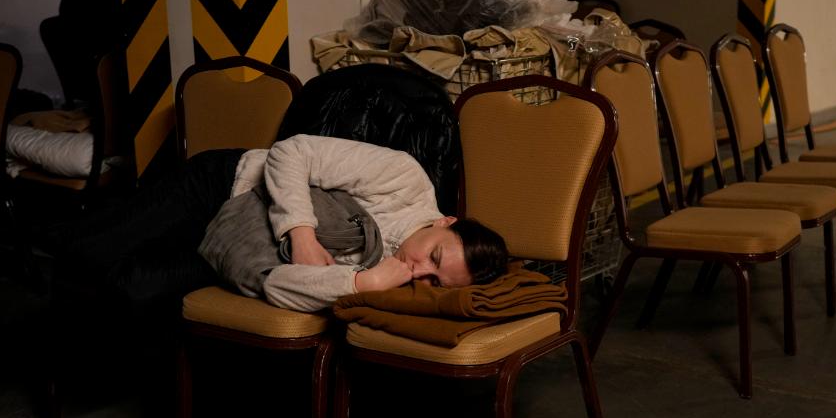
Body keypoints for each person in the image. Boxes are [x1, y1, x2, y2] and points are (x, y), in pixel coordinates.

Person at [49, 135, 509, 312]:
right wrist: (301, 235)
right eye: (433, 255)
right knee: (88, 249)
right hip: (221, 188)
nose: (419, 271)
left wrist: (364, 283)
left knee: (135, 288)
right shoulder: (404, 179)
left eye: (434, 280)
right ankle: (15, 245)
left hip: (241, 246)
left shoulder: (392, 280)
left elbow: (285, 286)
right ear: (446, 220)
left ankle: (51, 275)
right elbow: (293, 151)